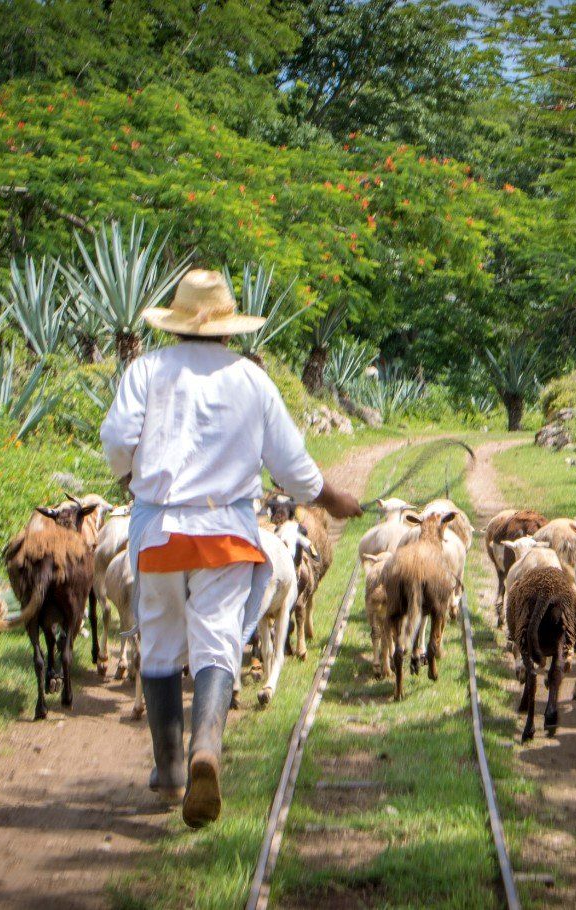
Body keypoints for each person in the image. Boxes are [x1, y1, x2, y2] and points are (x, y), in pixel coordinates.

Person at [100, 268, 362, 829]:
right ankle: (207, 748)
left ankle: (170, 772)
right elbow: (292, 466)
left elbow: (117, 439)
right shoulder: (251, 379)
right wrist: (334, 499)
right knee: (218, 643)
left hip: (160, 533)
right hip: (226, 536)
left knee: (160, 644)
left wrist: (131, 480)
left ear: (175, 323)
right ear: (228, 328)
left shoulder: (146, 370)